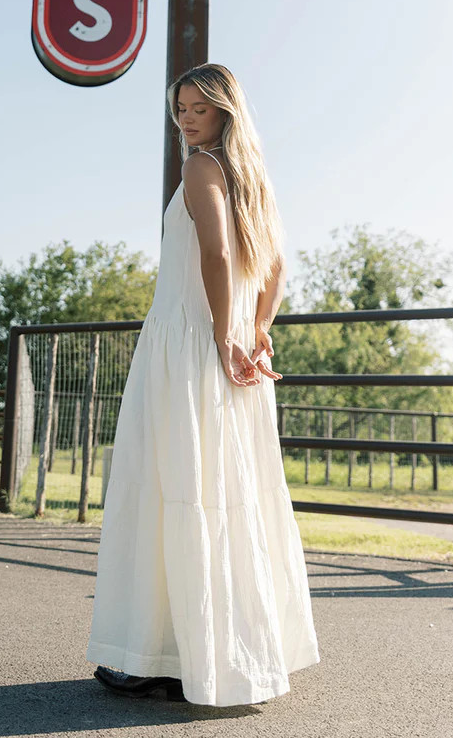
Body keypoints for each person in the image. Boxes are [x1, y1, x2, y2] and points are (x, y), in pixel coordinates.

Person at [86, 63, 320, 706]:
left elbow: (219, 255)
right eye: (179, 107)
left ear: (224, 111)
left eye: (197, 107)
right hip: (233, 351)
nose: (186, 118)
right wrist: (255, 327)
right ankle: (207, 654)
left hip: (193, 348)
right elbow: (273, 265)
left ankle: (160, 657)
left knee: (172, 491)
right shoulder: (254, 179)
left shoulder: (199, 168)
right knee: (223, 494)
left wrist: (224, 336)